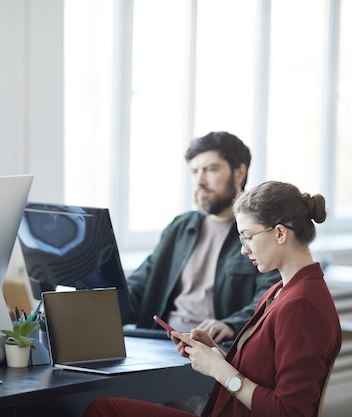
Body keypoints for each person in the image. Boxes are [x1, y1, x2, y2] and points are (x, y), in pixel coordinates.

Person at [83, 180, 342, 417]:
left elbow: (290, 412)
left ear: (280, 234)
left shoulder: (301, 305)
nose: (244, 249)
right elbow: (261, 374)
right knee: (104, 408)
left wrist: (219, 370)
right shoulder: (280, 290)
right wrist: (214, 354)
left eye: (248, 237)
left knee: (104, 411)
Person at [125, 132, 280, 343]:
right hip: (160, 342)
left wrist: (231, 325)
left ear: (239, 173)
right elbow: (139, 286)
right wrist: (101, 299)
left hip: (216, 350)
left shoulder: (261, 231)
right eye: (195, 171)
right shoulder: (179, 227)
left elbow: (272, 296)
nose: (199, 181)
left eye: (210, 170)